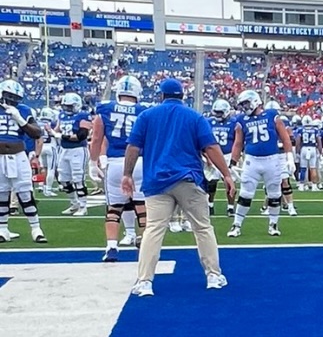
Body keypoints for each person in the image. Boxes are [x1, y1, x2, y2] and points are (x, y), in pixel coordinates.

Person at [123, 78, 234, 297]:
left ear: (161, 95)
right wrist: (227, 174)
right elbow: (210, 146)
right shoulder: (194, 116)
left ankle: (145, 280)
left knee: (153, 229)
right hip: (188, 178)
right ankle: (213, 274)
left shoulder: (147, 116)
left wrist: (127, 174)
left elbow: (133, 146)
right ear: (182, 96)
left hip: (157, 180)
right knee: (202, 227)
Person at [90, 75, 149, 261]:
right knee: (142, 207)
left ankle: (111, 248)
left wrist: (93, 162)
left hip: (115, 163)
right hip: (139, 162)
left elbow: (97, 138)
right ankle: (145, 244)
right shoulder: (144, 111)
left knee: (114, 208)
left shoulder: (105, 108)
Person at [227, 90, 294, 237]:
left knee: (274, 193)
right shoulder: (241, 120)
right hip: (252, 160)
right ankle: (236, 225)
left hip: (273, 159)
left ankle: (273, 224)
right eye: (242, 104)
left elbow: (285, 138)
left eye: (246, 103)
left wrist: (289, 157)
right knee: (245, 193)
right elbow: (238, 144)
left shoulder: (272, 115)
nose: (244, 107)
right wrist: (232, 162)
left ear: (255, 101)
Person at [0, 80, 46, 243]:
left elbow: (37, 133)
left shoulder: (24, 110)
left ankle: (36, 229)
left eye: (15, 97)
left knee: (25, 193)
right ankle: (3, 229)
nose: (12, 100)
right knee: (2, 194)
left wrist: (20, 119)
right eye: (9, 96)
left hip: (18, 155)